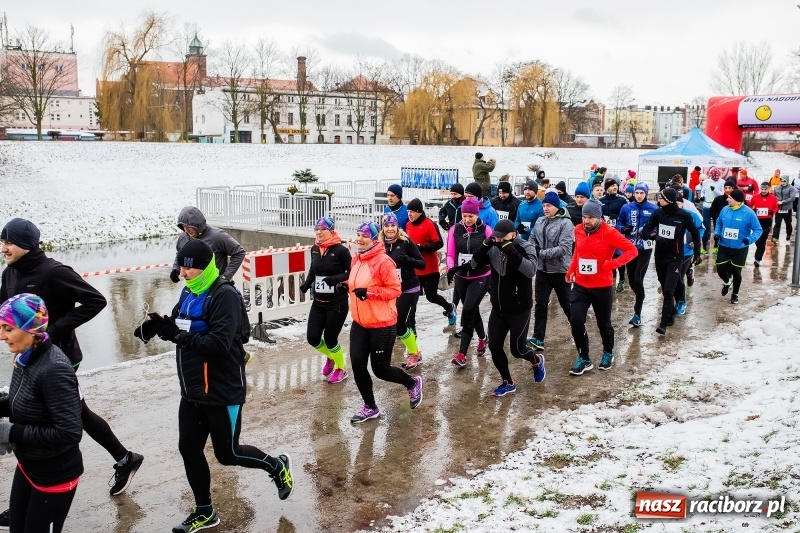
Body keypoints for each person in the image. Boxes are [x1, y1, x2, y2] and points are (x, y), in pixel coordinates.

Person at [135, 239, 294, 531]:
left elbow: (219, 344)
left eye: (188, 268)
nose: (182, 273)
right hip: (193, 390)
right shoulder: (188, 292)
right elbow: (180, 324)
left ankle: (276, 465)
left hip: (221, 390)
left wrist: (175, 334)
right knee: (188, 448)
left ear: (205, 266)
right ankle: (205, 511)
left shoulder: (224, 296)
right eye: (181, 266)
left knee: (228, 454)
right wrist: (157, 325)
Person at [0, 218, 143, 505]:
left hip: (59, 357)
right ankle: (125, 458)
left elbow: (96, 300)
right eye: (2, 242)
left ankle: (33, 495)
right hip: (27, 356)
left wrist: (52, 331)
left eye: (9, 242)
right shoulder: (10, 273)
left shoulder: (54, 272)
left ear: (26, 245)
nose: (3, 248)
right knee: (72, 413)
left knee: (58, 418)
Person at [0, 294, 83, 533]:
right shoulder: (25, 356)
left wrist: (10, 431)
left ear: (30, 329)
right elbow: (22, 400)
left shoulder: (54, 369)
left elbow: (69, 432)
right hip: (28, 466)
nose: (1, 336)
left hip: (54, 475)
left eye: (8, 328)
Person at [345, 221, 423, 423]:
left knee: (381, 370)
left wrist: (369, 292)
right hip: (360, 322)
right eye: (358, 235)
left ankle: (412, 383)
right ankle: (370, 407)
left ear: (372, 238)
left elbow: (395, 290)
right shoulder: (357, 259)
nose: (360, 239)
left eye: (364, 236)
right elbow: (356, 284)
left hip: (382, 324)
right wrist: (343, 286)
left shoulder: (383, 262)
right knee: (358, 365)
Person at [471, 219, 545, 397]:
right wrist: (485, 245)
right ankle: (508, 382)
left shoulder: (526, 247)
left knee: (517, 350)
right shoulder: (494, 246)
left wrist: (509, 248)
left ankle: (536, 360)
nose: (499, 241)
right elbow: (474, 264)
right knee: (494, 346)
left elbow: (530, 270)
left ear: (513, 234)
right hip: (499, 308)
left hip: (520, 308)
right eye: (496, 238)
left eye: (502, 238)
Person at [566, 199, 637, 375]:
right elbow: (578, 252)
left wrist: (612, 264)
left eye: (590, 217)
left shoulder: (610, 232)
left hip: (602, 286)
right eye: (584, 216)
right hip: (581, 284)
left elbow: (632, 250)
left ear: (599, 217)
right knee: (576, 320)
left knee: (603, 323)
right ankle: (584, 357)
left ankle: (608, 352)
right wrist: (571, 270)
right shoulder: (578, 229)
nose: (586, 221)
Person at [299, 217, 352, 384]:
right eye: (317, 229)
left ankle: (341, 369)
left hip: (337, 302)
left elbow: (351, 272)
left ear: (331, 231)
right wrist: (307, 284)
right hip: (319, 302)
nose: (319, 232)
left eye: (323, 229)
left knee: (330, 339)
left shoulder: (341, 250)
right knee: (313, 338)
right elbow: (313, 269)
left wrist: (335, 279)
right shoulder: (314, 249)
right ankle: (332, 356)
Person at [641, 188, 702, 336]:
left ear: (668, 200)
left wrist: (697, 253)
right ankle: (672, 311)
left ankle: (663, 324)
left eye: (661, 198)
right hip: (660, 257)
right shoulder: (658, 213)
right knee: (665, 286)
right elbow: (645, 231)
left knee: (668, 290)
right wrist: (655, 237)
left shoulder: (683, 215)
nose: (658, 200)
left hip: (676, 257)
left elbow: (695, 233)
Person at [446, 198, 492, 367]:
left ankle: (462, 354)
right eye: (464, 215)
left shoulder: (486, 230)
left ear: (477, 214)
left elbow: (492, 254)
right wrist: (451, 268)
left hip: (481, 276)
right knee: (472, 311)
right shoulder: (454, 229)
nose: (467, 219)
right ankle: (482, 337)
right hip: (461, 278)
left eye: (471, 216)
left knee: (467, 312)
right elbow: (451, 254)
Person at [528, 191, 573, 351]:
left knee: (566, 304)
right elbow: (532, 239)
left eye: (549, 206)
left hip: (560, 271)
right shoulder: (540, 221)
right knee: (540, 304)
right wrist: (533, 249)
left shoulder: (566, 224)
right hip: (542, 270)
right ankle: (538, 338)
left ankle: (579, 329)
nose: (546, 208)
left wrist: (540, 253)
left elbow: (564, 249)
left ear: (557, 206)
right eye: (544, 205)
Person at [380, 213, 426, 369]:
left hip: (409, 288)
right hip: (390, 291)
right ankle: (414, 350)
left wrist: (407, 259)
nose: (390, 228)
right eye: (386, 226)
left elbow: (422, 264)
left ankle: (414, 353)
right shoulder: (379, 245)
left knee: (400, 324)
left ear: (397, 226)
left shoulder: (405, 242)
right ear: (382, 227)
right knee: (391, 324)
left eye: (393, 225)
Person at [405, 199, 456, 327]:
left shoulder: (429, 224)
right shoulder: (408, 225)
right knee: (412, 299)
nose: (409, 214)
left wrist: (421, 248)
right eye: (408, 212)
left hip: (430, 268)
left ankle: (449, 308)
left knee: (431, 297)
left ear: (419, 212)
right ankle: (411, 327)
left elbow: (439, 243)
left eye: (411, 212)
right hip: (415, 269)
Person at [615, 183, 657, 327]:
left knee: (638, 279)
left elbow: (658, 227)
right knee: (632, 281)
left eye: (642, 193)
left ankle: (637, 314)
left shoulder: (653, 209)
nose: (639, 195)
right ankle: (641, 296)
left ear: (646, 193)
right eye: (637, 192)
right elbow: (618, 223)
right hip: (630, 248)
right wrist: (623, 228)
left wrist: (652, 234)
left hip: (645, 249)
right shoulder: (627, 207)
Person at [172, 206, 246, 284]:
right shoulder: (183, 237)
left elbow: (239, 252)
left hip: (215, 286)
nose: (186, 230)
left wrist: (225, 276)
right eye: (183, 227)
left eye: (189, 227)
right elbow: (180, 253)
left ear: (197, 224)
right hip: (194, 286)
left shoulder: (217, 236)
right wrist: (176, 269)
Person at [714, 189, 762, 304]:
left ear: (738, 201)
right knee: (720, 269)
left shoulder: (749, 213)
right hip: (724, 245)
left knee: (736, 271)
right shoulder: (725, 210)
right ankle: (727, 281)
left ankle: (735, 294)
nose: (727, 199)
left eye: (730, 198)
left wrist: (749, 240)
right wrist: (717, 233)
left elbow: (758, 230)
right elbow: (719, 223)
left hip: (740, 248)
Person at [675, 190, 705, 315]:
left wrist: (693, 242)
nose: (676, 207)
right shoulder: (665, 214)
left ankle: (681, 301)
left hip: (686, 251)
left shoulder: (691, 215)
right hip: (670, 252)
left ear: (682, 204)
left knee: (678, 277)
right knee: (670, 278)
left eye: (678, 204)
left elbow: (701, 229)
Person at [600, 178, 628, 292]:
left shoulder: (622, 200)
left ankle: (621, 279)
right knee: (608, 257)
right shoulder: (601, 200)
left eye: (616, 185)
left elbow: (628, 213)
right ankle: (612, 278)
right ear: (607, 188)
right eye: (612, 186)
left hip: (618, 233)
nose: (615, 187)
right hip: (605, 234)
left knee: (618, 256)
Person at [749, 182, 779, 266]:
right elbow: (749, 206)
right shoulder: (755, 197)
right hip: (757, 221)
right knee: (757, 240)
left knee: (762, 240)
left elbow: (776, 207)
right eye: (762, 189)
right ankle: (758, 252)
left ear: (768, 189)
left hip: (767, 221)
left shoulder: (773, 198)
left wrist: (772, 211)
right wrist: (753, 210)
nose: (763, 190)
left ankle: (757, 259)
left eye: (765, 189)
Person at [700, 168, 724, 253]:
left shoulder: (722, 182)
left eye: (717, 175)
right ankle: (704, 247)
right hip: (706, 205)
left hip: (716, 206)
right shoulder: (706, 182)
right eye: (714, 175)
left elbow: (723, 194)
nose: (715, 177)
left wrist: (715, 190)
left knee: (717, 226)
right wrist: (702, 196)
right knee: (705, 226)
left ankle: (716, 246)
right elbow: (702, 191)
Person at [709, 179, 737, 252]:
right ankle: (716, 246)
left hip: (733, 226)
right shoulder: (718, 199)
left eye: (729, 188)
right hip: (720, 224)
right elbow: (711, 211)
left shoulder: (738, 199)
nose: (727, 190)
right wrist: (719, 217)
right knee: (718, 237)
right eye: (725, 188)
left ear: (733, 188)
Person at [772, 175, 797, 243]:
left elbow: (792, 198)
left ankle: (788, 234)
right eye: (781, 181)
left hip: (787, 208)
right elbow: (774, 196)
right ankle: (775, 237)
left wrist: (783, 201)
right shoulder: (777, 188)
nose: (782, 182)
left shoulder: (791, 188)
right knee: (777, 223)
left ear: (787, 181)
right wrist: (776, 201)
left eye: (784, 181)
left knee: (788, 223)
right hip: (779, 208)